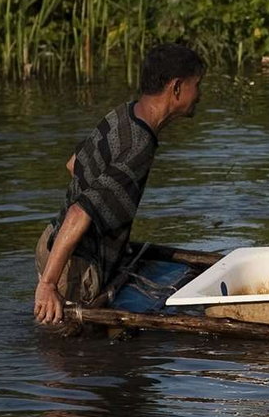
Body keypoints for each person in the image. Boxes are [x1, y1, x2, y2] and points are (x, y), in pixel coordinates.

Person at [34, 43, 206, 324]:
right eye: (196, 85)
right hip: (75, 265)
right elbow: (80, 211)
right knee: (72, 359)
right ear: (176, 88)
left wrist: (109, 226)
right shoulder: (140, 144)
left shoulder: (124, 113)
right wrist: (49, 284)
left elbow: (75, 163)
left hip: (52, 242)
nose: (199, 95)